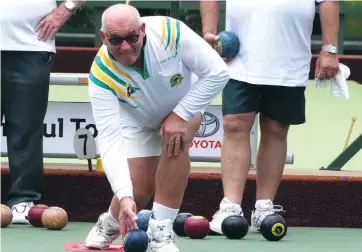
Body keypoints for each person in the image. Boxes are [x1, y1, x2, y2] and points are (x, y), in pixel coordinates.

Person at [83, 4, 229, 252]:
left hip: (184, 104)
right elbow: (109, 142)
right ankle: (108, 222)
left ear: (141, 29)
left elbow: (218, 73)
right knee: (138, 189)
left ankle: (161, 230)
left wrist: (180, 114)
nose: (126, 46)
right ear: (104, 37)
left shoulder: (171, 32)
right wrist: (125, 195)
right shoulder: (100, 75)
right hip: (137, 118)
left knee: (176, 139)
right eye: (116, 40)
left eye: (131, 37)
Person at [200, 0, 340, 233]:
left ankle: (264, 207)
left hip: (289, 58)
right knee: (234, 124)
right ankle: (230, 206)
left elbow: (329, 2)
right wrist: (208, 33)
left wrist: (330, 49)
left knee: (276, 128)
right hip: (238, 57)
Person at [1, 0, 85, 224]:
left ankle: (23, 200)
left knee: (26, 127)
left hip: (32, 45)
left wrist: (66, 8)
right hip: (33, 45)